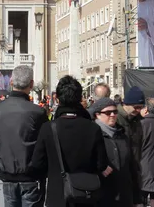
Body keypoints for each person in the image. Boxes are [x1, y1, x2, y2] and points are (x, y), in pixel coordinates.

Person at [29, 75, 110, 207]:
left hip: (58, 196)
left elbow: (37, 164)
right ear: (79, 98)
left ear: (58, 99)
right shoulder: (93, 128)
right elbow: (101, 164)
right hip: (86, 194)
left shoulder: (48, 128)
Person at [0, 65, 48, 207]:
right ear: (31, 84)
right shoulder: (37, 112)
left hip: (7, 173)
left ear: (11, 82)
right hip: (30, 175)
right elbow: (45, 143)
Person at [92, 97, 141, 206]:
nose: (113, 115)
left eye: (115, 112)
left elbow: (132, 167)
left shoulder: (122, 135)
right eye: (108, 112)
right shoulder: (92, 136)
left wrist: (137, 197)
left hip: (124, 197)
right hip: (102, 197)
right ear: (97, 114)